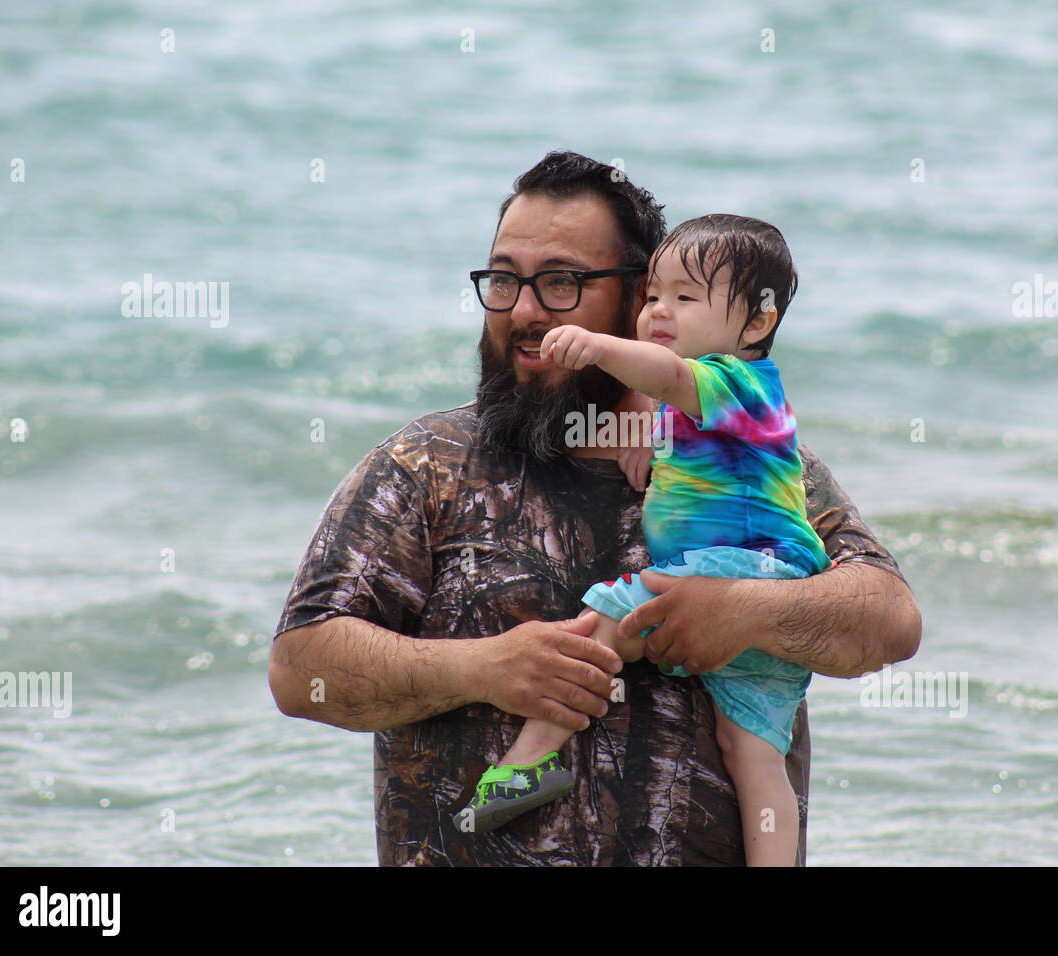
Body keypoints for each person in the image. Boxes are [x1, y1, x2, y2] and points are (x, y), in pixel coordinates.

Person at [268, 151, 921, 866]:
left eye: (559, 282)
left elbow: (888, 622)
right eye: (504, 280)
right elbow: (302, 671)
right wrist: (483, 668)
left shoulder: (750, 463)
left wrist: (746, 612)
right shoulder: (425, 466)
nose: (523, 310)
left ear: (638, 298)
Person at [454, 213, 835, 867]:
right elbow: (675, 414)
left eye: (685, 298)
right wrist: (651, 448)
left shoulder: (732, 379)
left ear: (757, 324)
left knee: (598, 623)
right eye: (652, 295)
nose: (659, 311)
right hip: (769, 590)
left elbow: (666, 375)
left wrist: (598, 348)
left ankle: (531, 761)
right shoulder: (699, 408)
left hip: (739, 575)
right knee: (754, 753)